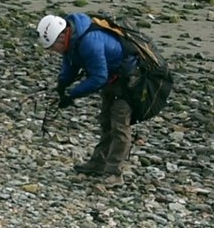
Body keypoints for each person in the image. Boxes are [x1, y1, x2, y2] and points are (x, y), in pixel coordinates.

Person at [35, 12, 138, 177]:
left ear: (61, 37)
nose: (54, 51)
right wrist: (62, 85)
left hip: (130, 79)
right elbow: (70, 64)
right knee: (105, 121)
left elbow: (98, 77)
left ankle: (114, 174)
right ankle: (98, 163)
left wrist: (72, 94)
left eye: (53, 47)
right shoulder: (72, 40)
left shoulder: (90, 42)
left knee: (119, 125)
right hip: (112, 79)